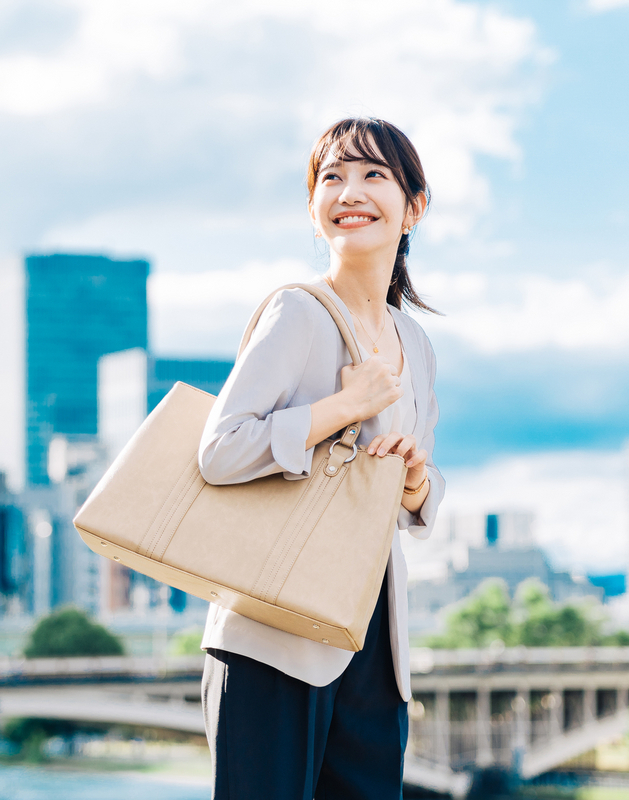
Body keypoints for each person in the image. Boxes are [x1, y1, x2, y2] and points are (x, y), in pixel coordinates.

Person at [198, 117, 446, 799]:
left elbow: (413, 496)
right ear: (314, 209)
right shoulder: (297, 313)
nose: (350, 191)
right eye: (332, 177)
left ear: (413, 207)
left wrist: (416, 484)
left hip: (372, 641)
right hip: (272, 633)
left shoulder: (415, 344)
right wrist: (338, 410)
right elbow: (218, 451)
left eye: (373, 175)